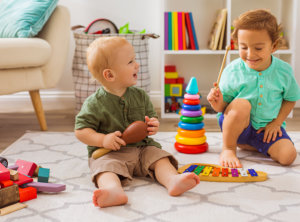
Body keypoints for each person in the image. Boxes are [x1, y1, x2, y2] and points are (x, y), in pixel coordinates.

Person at [75, 37, 200, 208]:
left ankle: (172, 180)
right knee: (104, 168)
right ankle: (113, 190)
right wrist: (102, 140)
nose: (137, 65)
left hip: (143, 149)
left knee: (160, 157)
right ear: (110, 74)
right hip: (110, 153)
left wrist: (153, 125)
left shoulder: (140, 96)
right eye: (130, 61)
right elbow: (81, 130)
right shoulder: (94, 103)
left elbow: (150, 118)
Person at [207, 9, 300, 168]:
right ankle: (229, 148)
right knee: (242, 104)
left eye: (258, 48)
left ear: (274, 46)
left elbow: (291, 98)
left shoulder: (283, 71)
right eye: (243, 47)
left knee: (288, 156)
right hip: (237, 127)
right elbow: (223, 109)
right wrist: (216, 102)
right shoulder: (232, 71)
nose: (250, 54)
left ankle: (255, 145)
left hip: (267, 131)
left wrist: (277, 123)